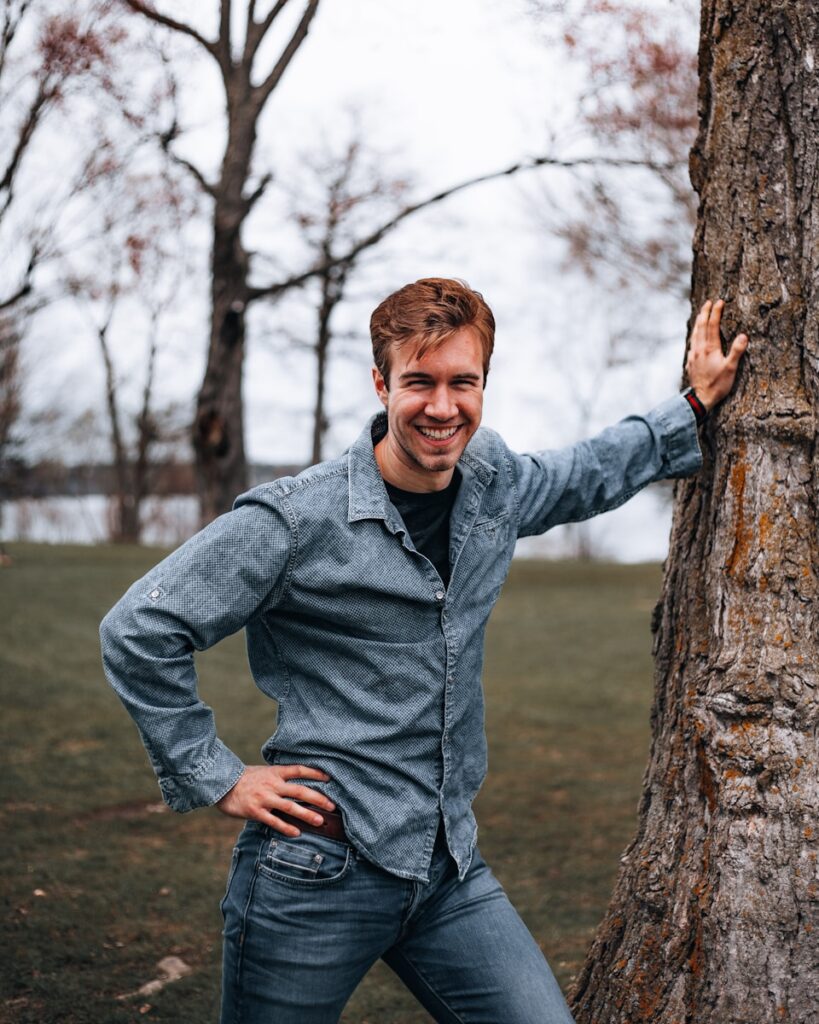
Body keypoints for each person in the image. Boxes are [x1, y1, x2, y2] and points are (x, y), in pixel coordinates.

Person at [100, 279, 747, 1024]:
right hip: (315, 871)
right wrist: (216, 776)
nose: (442, 407)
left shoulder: (492, 482)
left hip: (447, 871)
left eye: (461, 382)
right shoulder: (295, 520)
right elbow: (139, 629)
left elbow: (584, 473)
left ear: (482, 385)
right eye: (419, 382)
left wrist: (693, 404)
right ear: (382, 385)